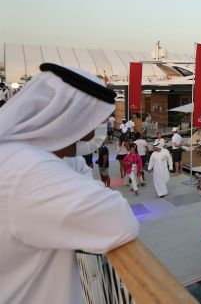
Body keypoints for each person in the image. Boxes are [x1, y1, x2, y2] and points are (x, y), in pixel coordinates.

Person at [0, 63, 139, 303]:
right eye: (95, 121)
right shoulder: (28, 170)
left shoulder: (23, 155)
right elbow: (119, 221)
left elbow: (80, 169)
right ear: (73, 120)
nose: (96, 131)